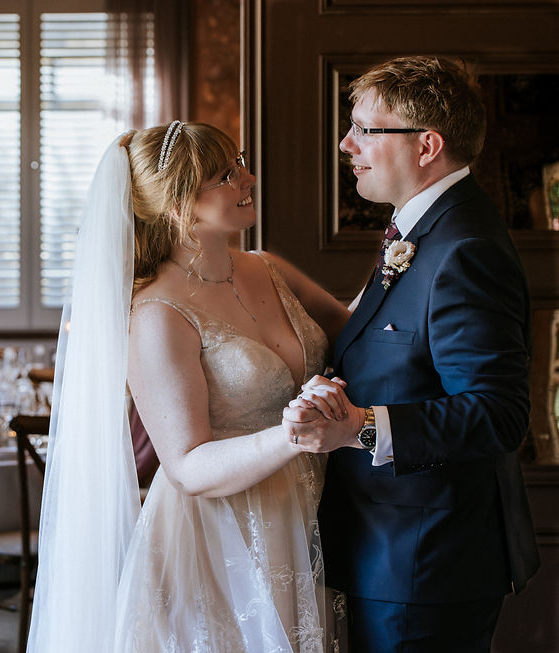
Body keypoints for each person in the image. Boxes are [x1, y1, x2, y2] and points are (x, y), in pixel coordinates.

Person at [27, 121, 350, 652]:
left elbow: (352, 325)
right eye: (227, 174)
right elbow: (188, 465)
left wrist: (406, 272)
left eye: (240, 162)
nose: (249, 177)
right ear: (180, 203)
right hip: (223, 538)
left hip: (314, 511)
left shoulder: (267, 269)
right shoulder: (157, 313)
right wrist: (292, 434)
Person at [282, 56, 540, 652]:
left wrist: (359, 428)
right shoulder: (422, 231)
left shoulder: (465, 248)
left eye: (367, 130)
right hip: (393, 552)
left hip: (426, 564)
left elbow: (498, 413)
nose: (348, 144)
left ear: (427, 145)